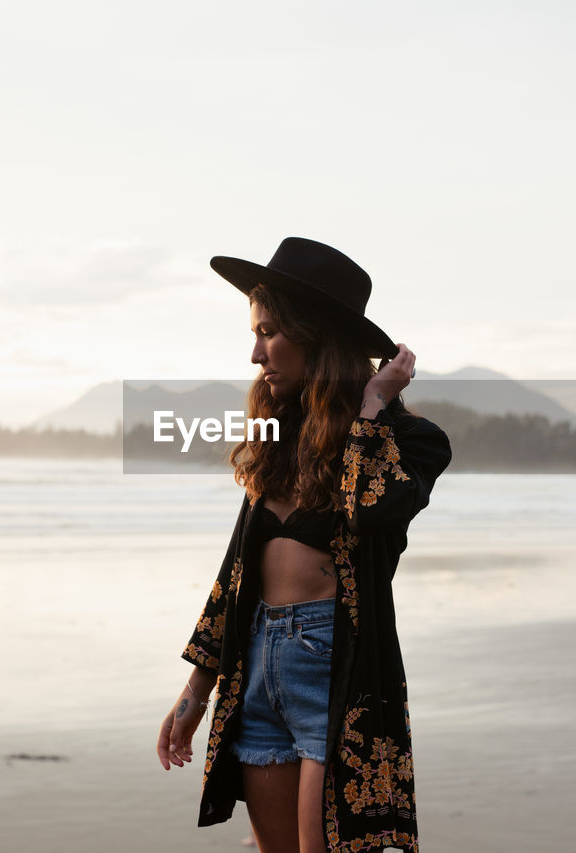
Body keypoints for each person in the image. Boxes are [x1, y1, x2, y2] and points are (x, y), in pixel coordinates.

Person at [156, 237, 452, 853]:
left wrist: (372, 408)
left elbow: (369, 510)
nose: (255, 352)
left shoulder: (411, 441)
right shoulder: (277, 436)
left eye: (269, 332)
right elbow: (236, 571)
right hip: (255, 660)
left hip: (333, 667)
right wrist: (195, 692)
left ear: (314, 335)